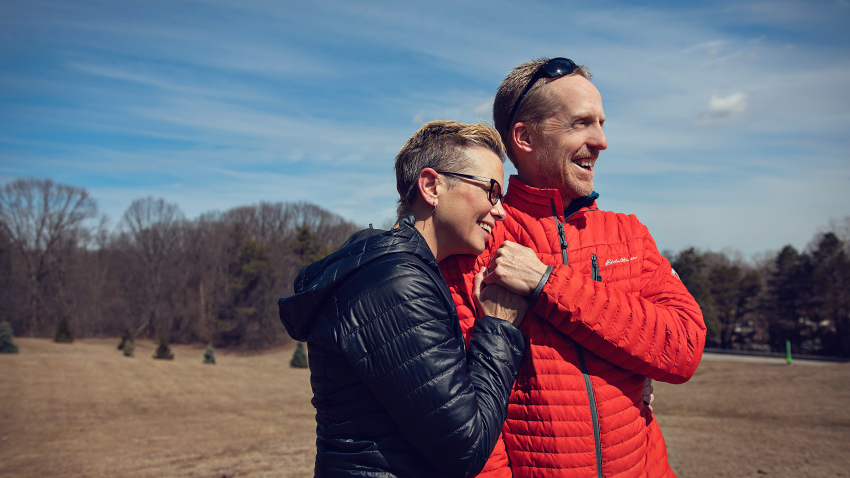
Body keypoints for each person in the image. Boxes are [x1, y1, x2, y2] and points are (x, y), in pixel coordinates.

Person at [439, 58, 707, 477]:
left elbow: (684, 350)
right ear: (524, 137)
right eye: (580, 123)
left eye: (601, 123)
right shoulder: (477, 243)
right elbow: (467, 410)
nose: (601, 141)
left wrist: (547, 282)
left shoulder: (630, 234)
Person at [278, 120, 530, 477]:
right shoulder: (394, 283)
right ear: (431, 186)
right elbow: (465, 448)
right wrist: (499, 328)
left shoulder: (393, 270)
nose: (500, 210)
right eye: (491, 190)